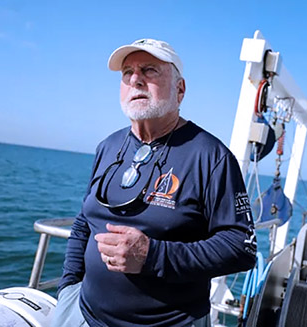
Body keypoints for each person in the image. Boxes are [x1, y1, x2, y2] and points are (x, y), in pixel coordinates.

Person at [52, 38, 257, 327]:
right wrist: (68, 287)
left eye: (149, 70)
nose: (135, 80)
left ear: (180, 89)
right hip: (83, 313)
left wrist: (152, 256)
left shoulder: (212, 157)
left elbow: (241, 247)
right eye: (127, 72)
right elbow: (84, 222)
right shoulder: (108, 147)